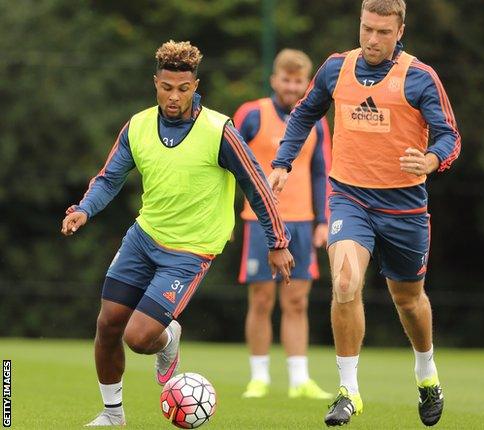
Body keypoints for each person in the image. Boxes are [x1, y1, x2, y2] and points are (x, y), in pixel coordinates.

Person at [60, 40, 294, 427]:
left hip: (191, 251)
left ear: (195, 85)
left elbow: (256, 185)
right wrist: (84, 209)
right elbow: (108, 179)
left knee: (139, 338)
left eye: (183, 89)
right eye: (167, 88)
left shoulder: (219, 130)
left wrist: (278, 242)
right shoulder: (137, 126)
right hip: (144, 237)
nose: (174, 96)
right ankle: (112, 414)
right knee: (107, 325)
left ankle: (168, 339)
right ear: (155, 83)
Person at [268, 0, 461, 426]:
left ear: (400, 30)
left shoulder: (419, 77)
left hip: (405, 207)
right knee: (344, 280)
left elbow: (450, 136)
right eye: (367, 29)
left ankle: (426, 373)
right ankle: (348, 391)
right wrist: (283, 161)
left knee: (408, 301)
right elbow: (303, 114)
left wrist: (430, 161)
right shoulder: (336, 68)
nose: (373, 40)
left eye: (383, 32)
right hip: (349, 198)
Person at [233, 49, 332, 400]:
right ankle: (258, 377)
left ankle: (299, 380)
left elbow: (323, 171)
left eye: (298, 81)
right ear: (274, 80)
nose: (291, 87)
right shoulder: (251, 114)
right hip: (259, 221)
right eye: (286, 80)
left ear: (307, 84)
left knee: (297, 302)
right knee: (261, 300)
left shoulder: (316, 121)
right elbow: (228, 162)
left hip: (303, 222)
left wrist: (324, 220)